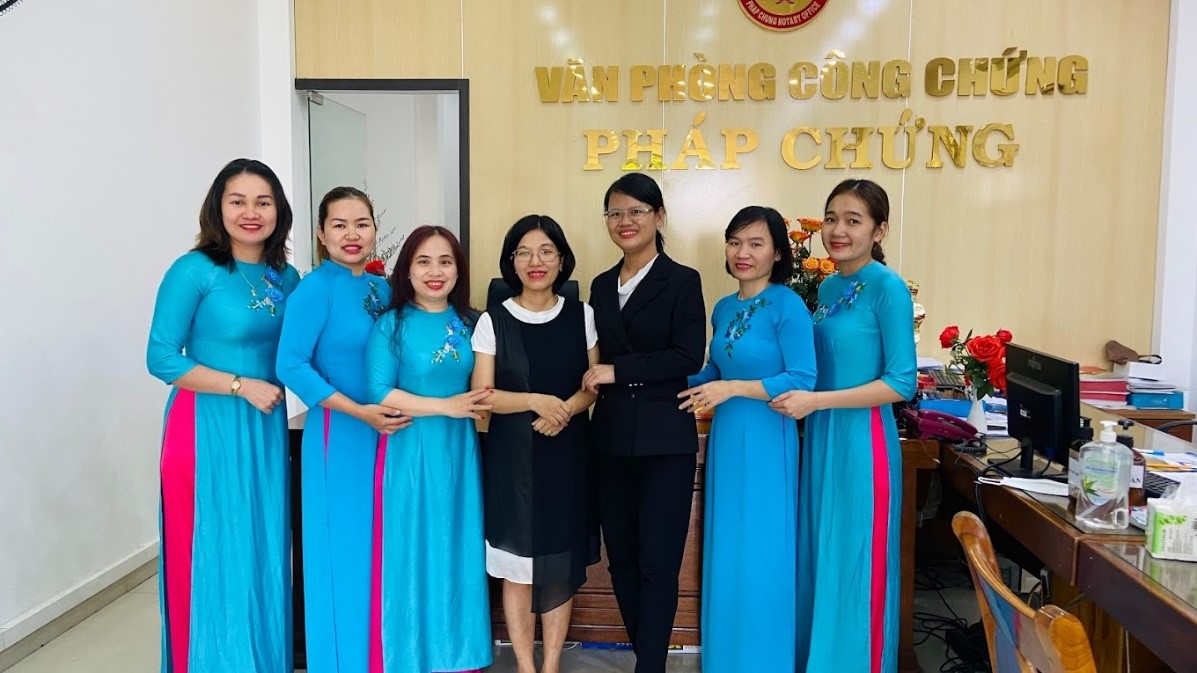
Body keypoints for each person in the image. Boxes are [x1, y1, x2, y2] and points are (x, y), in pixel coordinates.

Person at [146, 158, 300, 673]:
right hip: (203, 427)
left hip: (264, 428)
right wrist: (239, 385)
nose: (250, 212)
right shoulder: (193, 270)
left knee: (262, 548)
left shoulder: (286, 277)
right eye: (238, 201)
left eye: (263, 202)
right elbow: (161, 358)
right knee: (212, 549)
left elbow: (301, 351)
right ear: (219, 207)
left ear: (279, 211)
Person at [769, 179, 917, 673]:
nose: (838, 230)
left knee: (856, 560)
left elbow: (901, 382)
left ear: (880, 230)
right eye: (832, 218)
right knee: (822, 553)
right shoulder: (829, 287)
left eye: (854, 220)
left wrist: (818, 401)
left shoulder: (889, 289)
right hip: (820, 437)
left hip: (862, 442)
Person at [276, 187, 409, 672]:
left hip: (387, 435)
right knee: (344, 555)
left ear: (375, 229)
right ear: (320, 232)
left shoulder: (382, 289)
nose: (352, 234)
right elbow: (290, 364)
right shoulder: (315, 289)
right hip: (341, 436)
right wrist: (359, 412)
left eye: (361, 223)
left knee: (382, 552)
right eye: (339, 224)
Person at [678, 205, 816, 671]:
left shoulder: (787, 305)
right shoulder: (723, 307)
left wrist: (733, 389)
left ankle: (765, 660)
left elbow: (803, 377)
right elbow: (714, 370)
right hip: (727, 439)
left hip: (768, 438)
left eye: (756, 244)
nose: (743, 252)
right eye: (735, 242)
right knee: (729, 548)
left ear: (777, 253)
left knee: (763, 549)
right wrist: (661, 375)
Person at [583, 173, 706, 673]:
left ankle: (649, 664)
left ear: (659, 216)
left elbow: (688, 356)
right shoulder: (599, 285)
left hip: (664, 441)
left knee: (658, 562)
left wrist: (619, 370)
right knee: (622, 559)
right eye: (615, 212)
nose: (625, 221)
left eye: (636, 211)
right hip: (610, 439)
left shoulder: (682, 281)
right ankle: (646, 653)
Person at [470, 214, 600, 673]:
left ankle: (551, 667)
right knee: (516, 566)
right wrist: (534, 401)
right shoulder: (492, 320)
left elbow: (593, 385)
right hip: (512, 460)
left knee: (560, 563)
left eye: (546, 251)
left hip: (567, 456)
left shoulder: (583, 315)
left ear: (562, 259)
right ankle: (526, 666)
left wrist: (564, 410)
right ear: (511, 262)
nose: (535, 261)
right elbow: (483, 396)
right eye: (523, 252)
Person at [364, 225, 493, 673]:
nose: (435, 272)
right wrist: (446, 406)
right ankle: (408, 657)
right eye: (423, 262)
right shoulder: (392, 324)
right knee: (410, 550)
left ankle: (458, 657)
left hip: (459, 454)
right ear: (407, 270)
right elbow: (379, 391)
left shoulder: (474, 323)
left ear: (458, 270)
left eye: (445, 261)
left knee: (456, 548)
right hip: (408, 451)